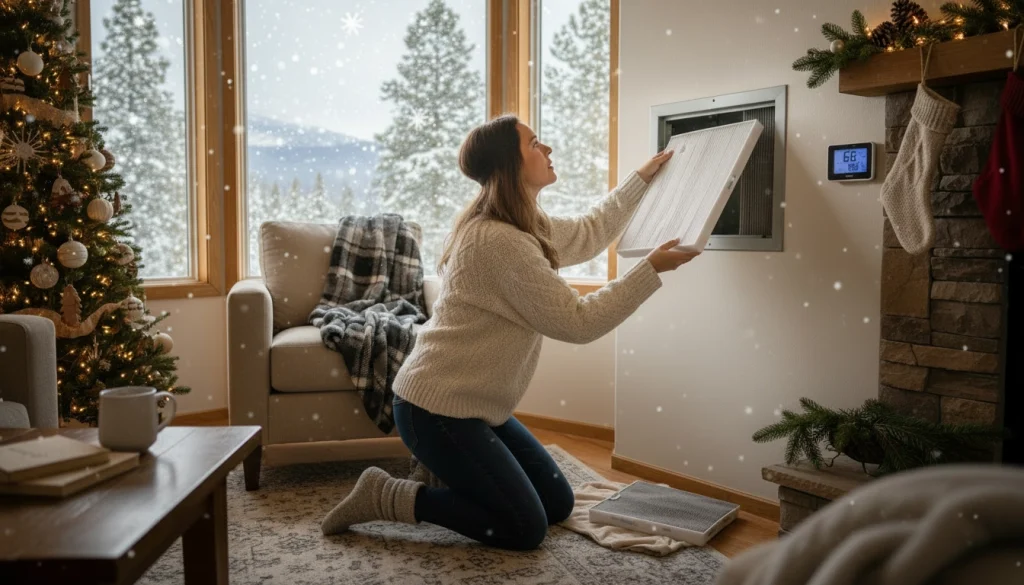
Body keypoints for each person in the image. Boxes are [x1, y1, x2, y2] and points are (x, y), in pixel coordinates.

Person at [321, 113, 700, 550]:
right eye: (535, 143)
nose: (548, 148)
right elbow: (578, 322)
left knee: (558, 504)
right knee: (524, 529)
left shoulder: (523, 224)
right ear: (509, 164)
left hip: (478, 407)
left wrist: (641, 179)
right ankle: (388, 494)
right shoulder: (499, 241)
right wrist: (649, 269)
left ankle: (449, 474)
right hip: (435, 410)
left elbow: (589, 233)